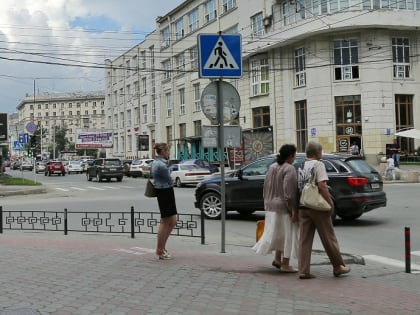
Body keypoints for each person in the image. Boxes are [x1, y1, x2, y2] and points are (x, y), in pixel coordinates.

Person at [298, 141, 350, 279]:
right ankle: (338, 266)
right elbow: (322, 186)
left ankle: (303, 270)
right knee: (328, 237)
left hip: (303, 205)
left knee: (304, 239)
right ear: (317, 153)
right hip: (317, 206)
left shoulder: (301, 165)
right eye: (321, 151)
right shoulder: (318, 164)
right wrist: (330, 202)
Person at [252, 144, 299, 273]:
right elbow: (289, 193)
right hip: (283, 207)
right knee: (287, 234)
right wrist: (294, 210)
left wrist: (267, 202)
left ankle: (277, 259)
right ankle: (285, 263)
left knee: (278, 233)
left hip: (270, 205)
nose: (294, 158)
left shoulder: (272, 167)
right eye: (294, 155)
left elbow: (265, 187)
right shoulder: (289, 169)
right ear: (290, 156)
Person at [151, 142, 178, 260]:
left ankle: (162, 248)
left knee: (172, 221)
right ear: (162, 152)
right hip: (165, 192)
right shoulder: (161, 165)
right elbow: (170, 180)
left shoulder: (157, 162)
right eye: (167, 151)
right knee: (165, 222)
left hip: (164, 192)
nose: (169, 153)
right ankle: (160, 250)